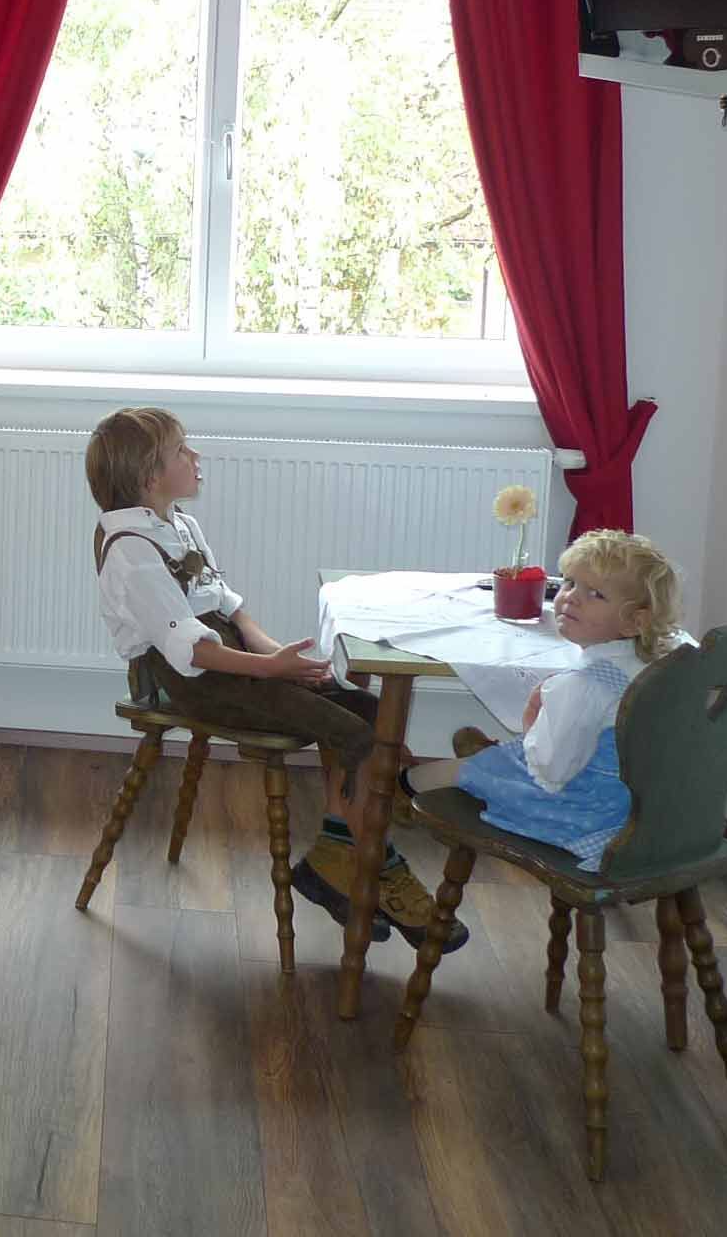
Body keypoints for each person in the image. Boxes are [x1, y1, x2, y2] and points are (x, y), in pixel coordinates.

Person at [87, 407, 466, 951]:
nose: (196, 458)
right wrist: (271, 671)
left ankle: (336, 854)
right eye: (182, 451)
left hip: (233, 660)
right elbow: (195, 650)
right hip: (191, 679)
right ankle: (381, 866)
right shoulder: (131, 551)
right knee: (359, 736)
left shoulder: (179, 525)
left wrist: (286, 661)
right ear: (150, 476)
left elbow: (233, 614)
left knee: (364, 707)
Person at [404, 528, 682, 871]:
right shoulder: (651, 666)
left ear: (634, 621)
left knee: (440, 773)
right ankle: (486, 754)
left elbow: (550, 770)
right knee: (504, 755)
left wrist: (533, 725)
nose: (570, 598)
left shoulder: (583, 686)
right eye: (569, 583)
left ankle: (403, 791)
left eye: (595, 594)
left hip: (577, 811)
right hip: (632, 805)